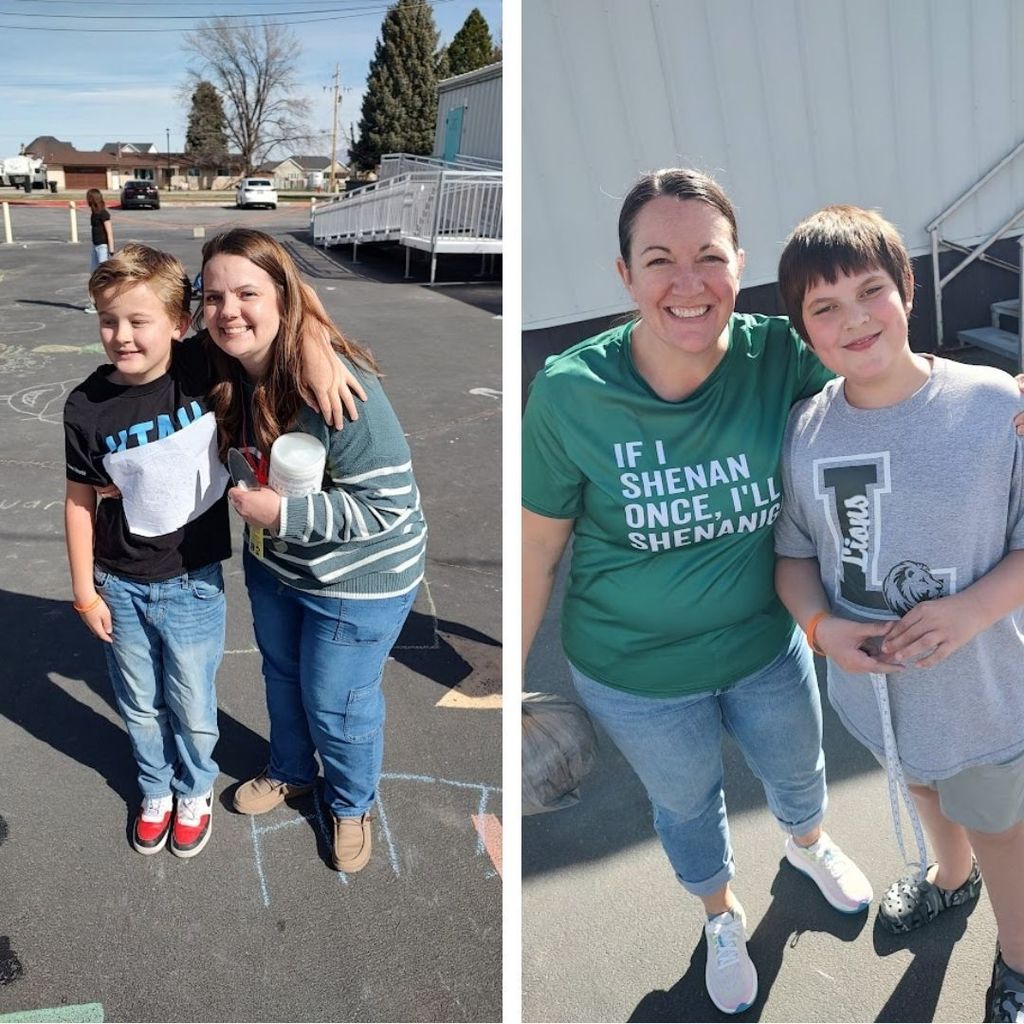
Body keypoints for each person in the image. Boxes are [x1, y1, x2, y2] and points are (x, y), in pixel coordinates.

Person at [521, 168, 875, 1016]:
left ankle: (807, 845)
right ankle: (719, 916)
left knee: (798, 766)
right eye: (659, 259)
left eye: (709, 257)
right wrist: (505, 689)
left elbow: (885, 368)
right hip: (634, 670)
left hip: (765, 641)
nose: (688, 283)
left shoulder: (778, 354)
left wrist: (990, 396)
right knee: (685, 803)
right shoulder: (573, 392)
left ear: (739, 264)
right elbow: (537, 549)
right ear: (624, 275)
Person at [773, 205, 1024, 1024]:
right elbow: (795, 559)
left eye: (869, 290)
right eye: (824, 306)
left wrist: (972, 610)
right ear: (801, 326)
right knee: (920, 786)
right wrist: (822, 628)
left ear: (908, 288)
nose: (852, 318)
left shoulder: (995, 407)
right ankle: (950, 880)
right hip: (882, 692)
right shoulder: (806, 431)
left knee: (1000, 826)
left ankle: (1019, 956)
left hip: (982, 696)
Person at [64, 243, 363, 860]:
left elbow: (282, 302)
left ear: (180, 323)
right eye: (108, 319)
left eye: (139, 320)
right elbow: (78, 500)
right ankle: (155, 789)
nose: (122, 335)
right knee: (138, 702)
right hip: (118, 582)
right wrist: (84, 590)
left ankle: (194, 787)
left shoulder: (202, 363)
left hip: (194, 582)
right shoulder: (85, 406)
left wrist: (317, 351)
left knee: (194, 701)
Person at [198, 228, 426, 875]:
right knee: (282, 675)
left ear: (282, 297)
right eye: (213, 296)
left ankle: (352, 803)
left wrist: (284, 512)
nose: (228, 310)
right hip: (278, 565)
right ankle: (293, 771)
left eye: (247, 293)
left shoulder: (337, 388)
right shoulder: (223, 367)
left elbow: (385, 510)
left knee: (338, 701)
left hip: (359, 579)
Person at [83, 188, 114, 314]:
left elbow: (109, 232)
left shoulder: (103, 214)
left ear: (92, 199)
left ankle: (105, 302)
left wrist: (111, 249)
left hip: (102, 247)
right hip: (95, 246)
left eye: (88, 198)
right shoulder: (93, 214)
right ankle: (96, 302)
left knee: (103, 276)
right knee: (93, 274)